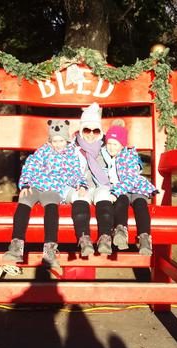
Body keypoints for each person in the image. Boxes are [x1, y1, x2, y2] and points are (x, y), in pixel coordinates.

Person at [3, 119, 88, 274]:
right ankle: (16, 245)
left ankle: (49, 250)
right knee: (24, 201)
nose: (58, 144)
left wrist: (82, 184)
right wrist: (26, 184)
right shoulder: (43, 151)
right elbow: (30, 166)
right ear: (50, 140)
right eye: (55, 141)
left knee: (51, 209)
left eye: (61, 140)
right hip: (35, 185)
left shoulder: (71, 155)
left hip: (53, 189)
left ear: (66, 140)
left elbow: (76, 173)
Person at [102, 119, 157, 256]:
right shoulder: (109, 156)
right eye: (109, 143)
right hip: (122, 190)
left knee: (140, 205)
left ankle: (144, 237)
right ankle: (120, 230)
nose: (111, 147)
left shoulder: (129, 155)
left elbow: (130, 178)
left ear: (122, 145)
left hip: (136, 187)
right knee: (121, 203)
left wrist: (115, 192)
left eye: (115, 144)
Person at [68, 102, 116, 256]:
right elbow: (68, 168)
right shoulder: (73, 147)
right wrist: (78, 184)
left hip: (100, 185)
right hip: (81, 186)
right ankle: (84, 238)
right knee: (79, 198)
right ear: (81, 131)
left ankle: (105, 237)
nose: (90, 134)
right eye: (87, 130)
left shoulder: (105, 148)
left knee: (104, 195)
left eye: (95, 131)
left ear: (100, 132)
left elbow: (118, 164)